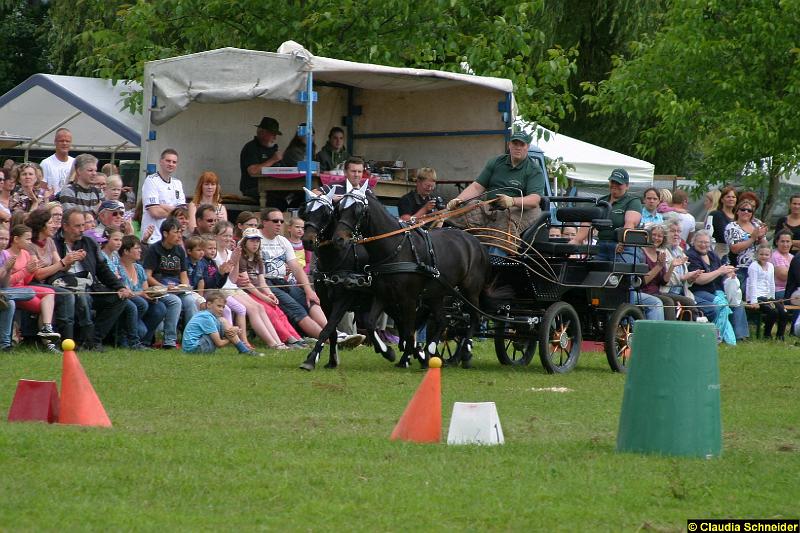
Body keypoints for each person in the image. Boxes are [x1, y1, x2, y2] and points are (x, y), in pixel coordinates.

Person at [259, 207, 363, 346]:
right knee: (297, 309)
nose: (279, 223)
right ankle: (328, 339)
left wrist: (308, 291)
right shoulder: (255, 239)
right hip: (265, 283)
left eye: (281, 221)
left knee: (312, 300)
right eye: (275, 220)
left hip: (284, 282)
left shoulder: (283, 241)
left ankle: (334, 333)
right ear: (264, 222)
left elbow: (296, 268)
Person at [446, 130, 545, 250]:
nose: (518, 147)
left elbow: (535, 199)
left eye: (522, 145)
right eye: (515, 144)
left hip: (522, 209)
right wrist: (458, 200)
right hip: (492, 206)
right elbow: (477, 187)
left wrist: (512, 201)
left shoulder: (534, 170)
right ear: (509, 145)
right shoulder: (496, 162)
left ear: (527, 147)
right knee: (457, 214)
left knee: (503, 224)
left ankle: (497, 261)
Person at [54, 208, 134, 351]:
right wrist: (67, 262)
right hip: (64, 285)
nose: (81, 230)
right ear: (65, 226)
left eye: (83, 225)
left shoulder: (88, 243)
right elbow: (52, 272)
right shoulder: (54, 243)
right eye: (77, 226)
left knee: (118, 298)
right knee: (81, 298)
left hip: (89, 286)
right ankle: (81, 341)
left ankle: (94, 340)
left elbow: (102, 269)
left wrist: (120, 287)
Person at [212, 221, 290, 349]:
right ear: (215, 236)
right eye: (224, 235)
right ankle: (269, 343)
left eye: (229, 235)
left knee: (259, 307)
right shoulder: (213, 254)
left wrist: (234, 261)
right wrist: (232, 263)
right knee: (252, 309)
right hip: (222, 289)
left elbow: (233, 278)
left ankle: (277, 342)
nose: (227, 238)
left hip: (233, 287)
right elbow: (221, 279)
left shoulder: (232, 253)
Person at [2, 224, 63, 351]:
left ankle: (47, 330)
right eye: (27, 239)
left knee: (50, 293)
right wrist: (25, 271)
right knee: (39, 301)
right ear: (16, 239)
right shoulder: (7, 254)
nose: (30, 243)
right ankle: (48, 341)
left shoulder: (25, 254)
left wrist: (31, 271)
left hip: (22, 288)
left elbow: (27, 280)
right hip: (12, 290)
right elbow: (8, 283)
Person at [142, 217, 197, 349]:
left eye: (180, 232)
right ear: (165, 234)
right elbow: (147, 275)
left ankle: (189, 339)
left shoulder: (179, 251)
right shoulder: (154, 249)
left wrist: (184, 287)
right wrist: (164, 287)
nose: (179, 235)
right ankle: (169, 341)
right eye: (176, 232)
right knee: (175, 301)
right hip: (158, 288)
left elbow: (183, 275)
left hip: (176, 287)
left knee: (190, 300)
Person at [687, 229, 749, 343]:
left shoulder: (712, 255)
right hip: (698, 291)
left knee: (737, 303)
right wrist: (720, 271)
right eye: (700, 242)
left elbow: (721, 273)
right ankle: (719, 339)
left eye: (706, 242)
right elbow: (699, 280)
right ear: (693, 242)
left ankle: (740, 336)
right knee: (722, 305)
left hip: (716, 290)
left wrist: (729, 273)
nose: (703, 245)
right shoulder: (691, 255)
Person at [569, 168, 642, 263]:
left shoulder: (633, 201)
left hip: (624, 247)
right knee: (587, 267)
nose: (615, 185)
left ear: (627, 186)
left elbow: (630, 223)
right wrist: (576, 240)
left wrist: (622, 243)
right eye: (613, 182)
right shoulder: (602, 201)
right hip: (601, 245)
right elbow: (588, 220)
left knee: (623, 269)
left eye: (619, 183)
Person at [27, 207, 77, 340]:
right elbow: (38, 274)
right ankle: (65, 338)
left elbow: (61, 266)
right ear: (41, 225)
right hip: (33, 282)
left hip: (47, 283)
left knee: (75, 294)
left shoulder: (49, 241)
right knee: (66, 295)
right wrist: (62, 263)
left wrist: (71, 260)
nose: (54, 226)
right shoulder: (29, 245)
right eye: (50, 223)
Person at [118, 235, 167, 347]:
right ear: (126, 251)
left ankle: (146, 342)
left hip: (142, 303)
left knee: (160, 308)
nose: (140, 250)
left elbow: (145, 289)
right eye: (136, 248)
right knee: (141, 329)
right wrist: (142, 294)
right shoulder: (118, 268)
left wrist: (153, 294)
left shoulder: (139, 268)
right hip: (129, 303)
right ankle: (126, 338)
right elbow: (126, 292)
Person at [182, 290, 261, 356]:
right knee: (223, 321)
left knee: (223, 320)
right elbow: (219, 343)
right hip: (195, 349)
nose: (221, 309)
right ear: (209, 304)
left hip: (193, 347)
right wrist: (232, 336)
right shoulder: (206, 317)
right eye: (219, 306)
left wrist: (233, 330)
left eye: (223, 307)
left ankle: (244, 350)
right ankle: (244, 350)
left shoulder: (206, 315)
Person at [0, 227, 36, 351]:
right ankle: (5, 343)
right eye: (1, 239)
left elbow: (5, 284)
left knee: (29, 293)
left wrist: (9, 269)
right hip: (4, 291)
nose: (4, 242)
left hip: (3, 291)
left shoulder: (5, 254)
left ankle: (5, 345)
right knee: (10, 303)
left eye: (5, 239)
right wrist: (5, 267)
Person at [141, 148, 187, 244]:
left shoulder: (177, 183)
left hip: (173, 239)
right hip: (153, 238)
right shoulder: (151, 180)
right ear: (161, 162)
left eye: (174, 162)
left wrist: (162, 206)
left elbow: (182, 213)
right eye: (168, 161)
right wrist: (174, 212)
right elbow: (154, 212)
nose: (171, 164)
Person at [725, 197, 767, 297]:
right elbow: (734, 249)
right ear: (737, 212)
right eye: (743, 209)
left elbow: (765, 245)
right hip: (740, 268)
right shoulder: (732, 226)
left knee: (759, 295)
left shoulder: (756, 224)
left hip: (758, 266)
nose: (746, 212)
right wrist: (752, 238)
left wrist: (760, 237)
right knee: (745, 295)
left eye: (749, 210)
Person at [747, 244, 787, 340]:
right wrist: (753, 301)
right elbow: (752, 284)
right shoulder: (754, 266)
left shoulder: (770, 266)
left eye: (766, 255)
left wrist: (772, 298)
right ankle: (767, 334)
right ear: (757, 254)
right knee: (773, 312)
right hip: (757, 297)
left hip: (767, 296)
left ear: (770, 255)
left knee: (783, 311)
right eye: (761, 254)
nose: (764, 257)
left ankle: (780, 335)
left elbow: (771, 283)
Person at [239, 116, 283, 200]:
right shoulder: (251, 147)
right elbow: (253, 171)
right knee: (277, 199)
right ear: (262, 132)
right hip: (253, 188)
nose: (275, 138)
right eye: (272, 134)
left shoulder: (272, 148)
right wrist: (273, 159)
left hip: (273, 186)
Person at [40, 128, 74, 195]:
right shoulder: (46, 163)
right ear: (55, 142)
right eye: (61, 141)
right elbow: (42, 189)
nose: (64, 143)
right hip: (52, 203)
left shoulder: (75, 163)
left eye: (67, 141)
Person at [706, 185, 737, 256]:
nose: (731, 199)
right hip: (720, 251)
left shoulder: (738, 216)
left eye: (733, 197)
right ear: (722, 200)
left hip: (735, 252)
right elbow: (723, 235)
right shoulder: (716, 214)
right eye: (728, 197)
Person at [771, 230, 793, 300]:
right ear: (777, 242)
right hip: (780, 291)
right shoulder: (776, 256)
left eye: (788, 241)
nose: (785, 244)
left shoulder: (792, 256)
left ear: (791, 243)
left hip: (792, 290)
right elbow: (783, 275)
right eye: (782, 241)